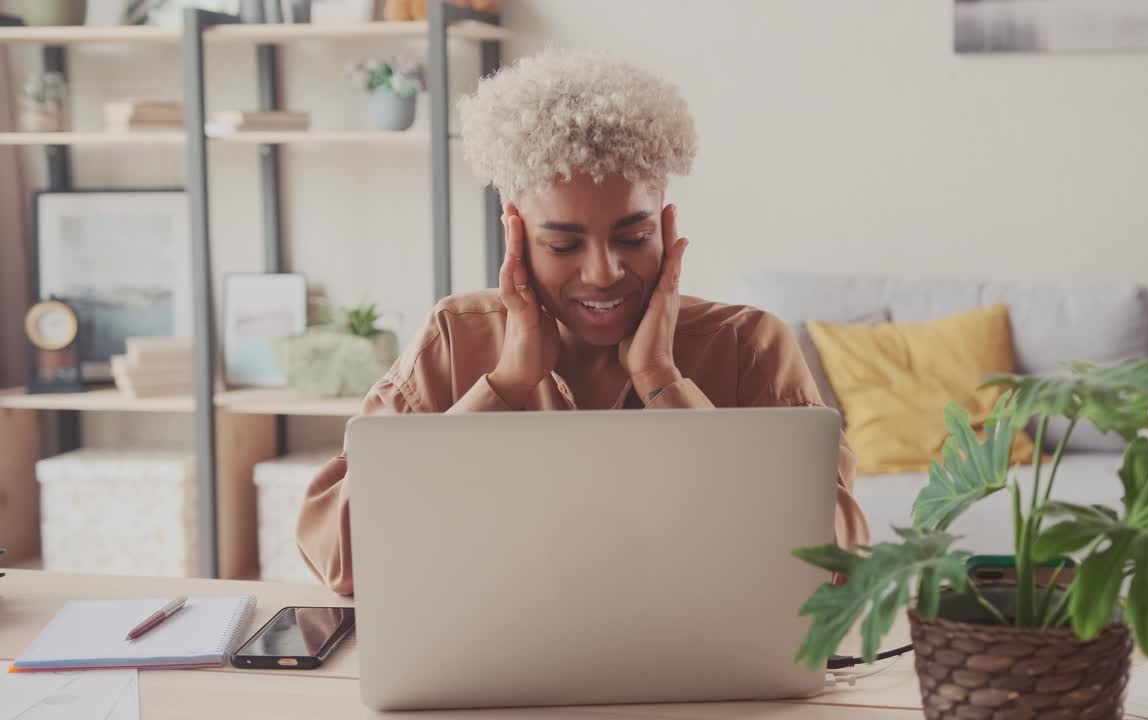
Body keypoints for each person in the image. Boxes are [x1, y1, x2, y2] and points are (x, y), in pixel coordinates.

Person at [296, 50, 868, 595]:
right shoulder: (455, 337)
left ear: (666, 222)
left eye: (634, 237)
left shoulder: (749, 348)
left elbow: (835, 567)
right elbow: (338, 557)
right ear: (515, 230)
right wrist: (504, 386)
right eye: (564, 244)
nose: (602, 272)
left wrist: (664, 384)